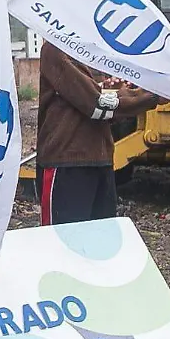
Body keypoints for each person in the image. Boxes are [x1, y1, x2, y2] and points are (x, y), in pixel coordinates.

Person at [35, 45, 160, 225]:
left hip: (100, 160)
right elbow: (95, 104)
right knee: (62, 244)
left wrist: (117, 94)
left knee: (101, 244)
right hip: (66, 164)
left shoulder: (90, 51)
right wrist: (151, 96)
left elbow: (102, 108)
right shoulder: (56, 49)